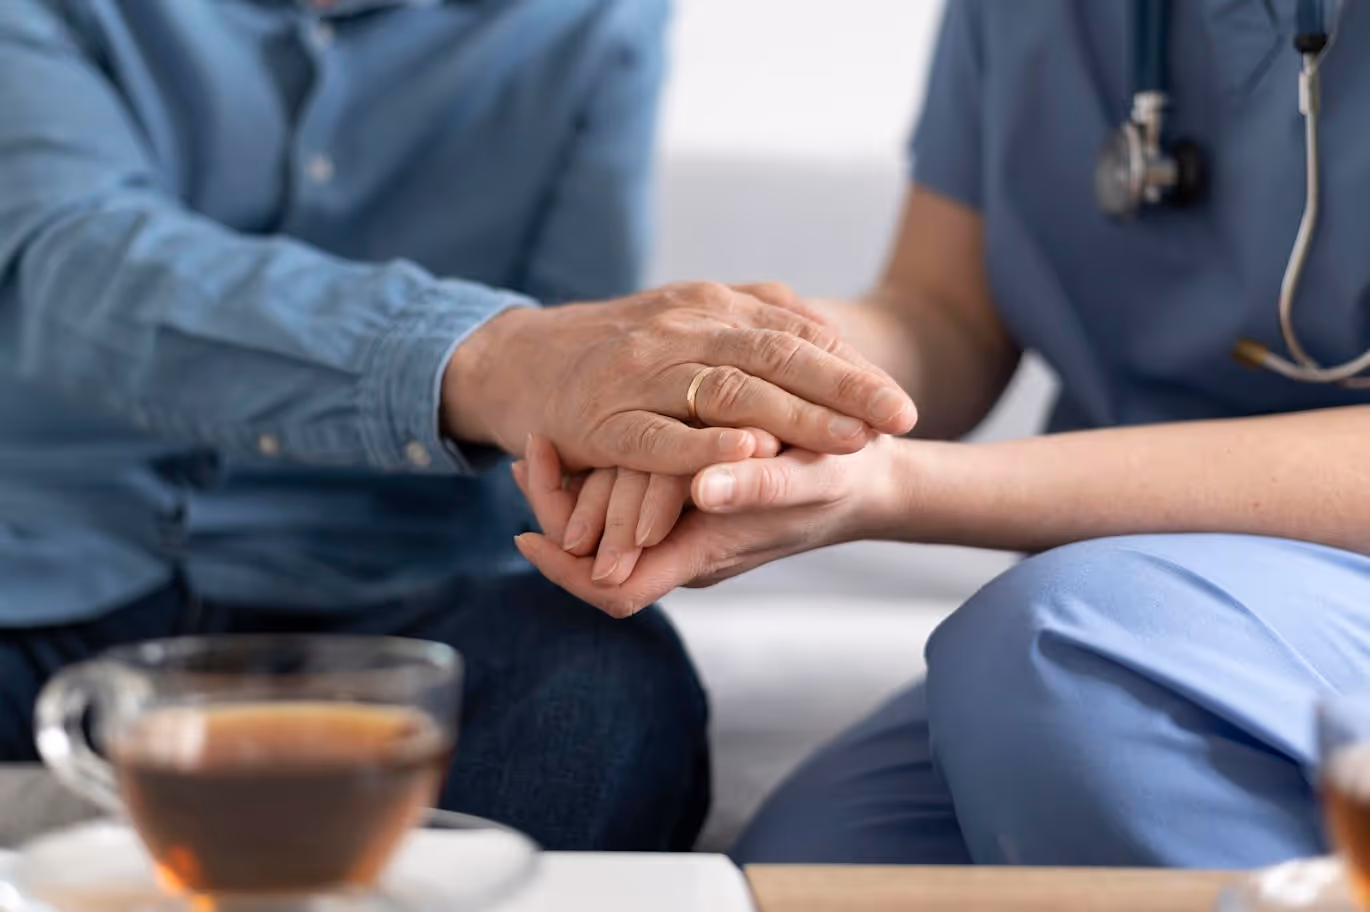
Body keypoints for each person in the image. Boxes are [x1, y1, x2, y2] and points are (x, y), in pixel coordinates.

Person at [0, 0, 917, 851]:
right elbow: (66, 261)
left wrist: (673, 446)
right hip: (43, 570)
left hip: (401, 596)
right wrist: (497, 359)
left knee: (601, 690)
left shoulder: (590, 20)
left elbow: (588, 357)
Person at [513, 0, 1370, 868]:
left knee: (1052, 648)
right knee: (814, 866)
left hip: (1184, 608)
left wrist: (899, 486)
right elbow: (945, 316)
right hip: (1142, 609)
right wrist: (738, 392)